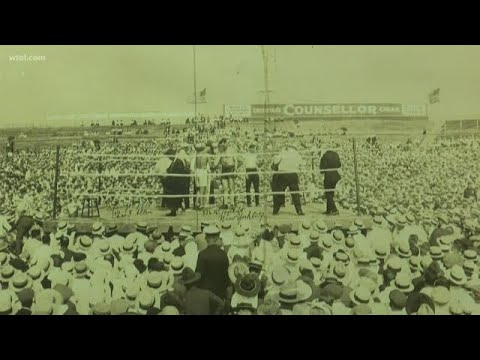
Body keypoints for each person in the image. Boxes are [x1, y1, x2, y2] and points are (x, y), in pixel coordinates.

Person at [195, 226, 231, 300]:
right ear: (217, 238)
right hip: (220, 294)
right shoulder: (223, 254)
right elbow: (227, 276)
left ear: (206, 238)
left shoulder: (202, 254)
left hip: (205, 294)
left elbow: (198, 275)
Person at [271, 143, 305, 216]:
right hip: (293, 174)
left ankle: (275, 210)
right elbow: (302, 163)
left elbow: (275, 161)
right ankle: (299, 210)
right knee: (295, 193)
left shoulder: (283, 152)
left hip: (283, 173)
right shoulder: (296, 153)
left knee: (279, 191)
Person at [163, 148, 189, 217]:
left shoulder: (178, 161)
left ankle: (175, 210)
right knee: (172, 197)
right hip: (174, 183)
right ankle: (173, 210)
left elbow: (179, 174)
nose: (169, 158)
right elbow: (169, 170)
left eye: (169, 156)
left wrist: (169, 177)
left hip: (178, 184)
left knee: (174, 198)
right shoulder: (173, 162)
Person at [214, 138, 237, 209]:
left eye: (224, 144)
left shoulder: (232, 150)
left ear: (226, 143)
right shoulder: (221, 151)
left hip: (230, 168)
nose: (223, 146)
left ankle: (232, 204)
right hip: (224, 169)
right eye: (222, 145)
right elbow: (216, 162)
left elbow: (235, 160)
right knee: (225, 188)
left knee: (231, 187)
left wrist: (235, 170)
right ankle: (226, 204)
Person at [320, 147, 342, 216]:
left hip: (328, 176)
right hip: (335, 175)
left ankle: (334, 209)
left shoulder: (325, 156)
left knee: (328, 194)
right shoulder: (336, 154)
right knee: (331, 193)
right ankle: (329, 210)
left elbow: (322, 169)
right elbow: (339, 165)